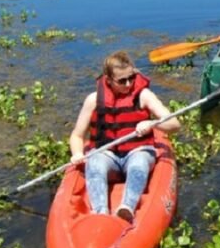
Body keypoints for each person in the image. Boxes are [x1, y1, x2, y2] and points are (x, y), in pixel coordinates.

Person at [68, 51, 180, 221]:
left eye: (131, 78)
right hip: (107, 154)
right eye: (122, 81)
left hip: (138, 151)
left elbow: (174, 125)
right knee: (95, 163)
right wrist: (77, 153)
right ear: (108, 79)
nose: (128, 84)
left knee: (139, 164)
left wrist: (153, 124)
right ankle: (100, 212)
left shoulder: (144, 96)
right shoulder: (93, 100)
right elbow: (77, 136)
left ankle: (127, 207)